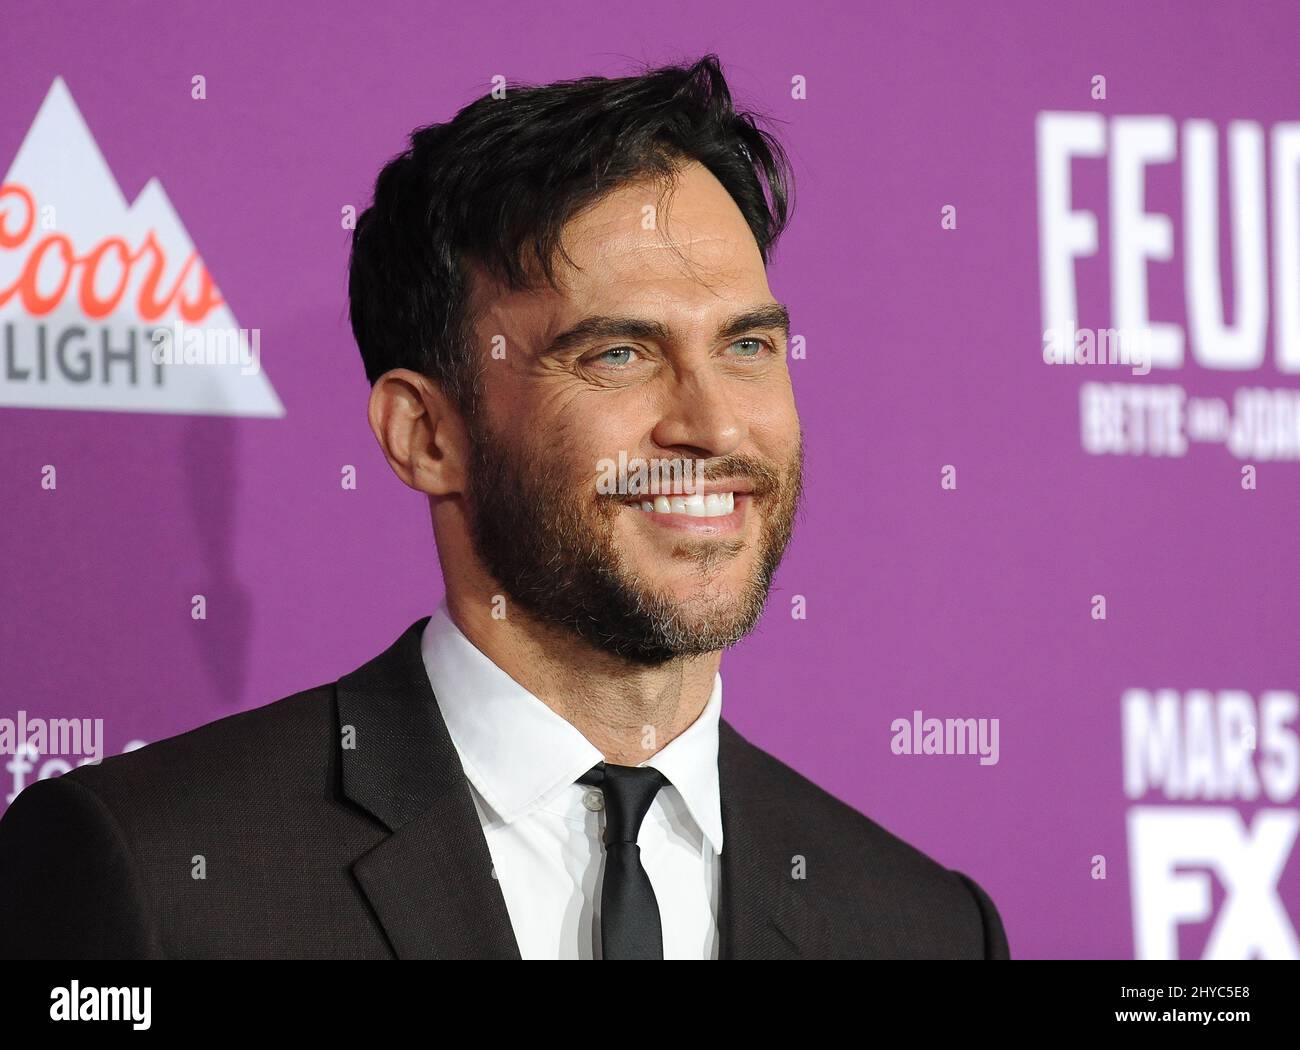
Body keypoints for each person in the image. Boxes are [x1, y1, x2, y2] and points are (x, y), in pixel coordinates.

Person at [0, 54, 1009, 959]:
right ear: (426, 436)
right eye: (619, 354)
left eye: (746, 347)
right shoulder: (155, 873)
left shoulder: (920, 927)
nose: (714, 426)